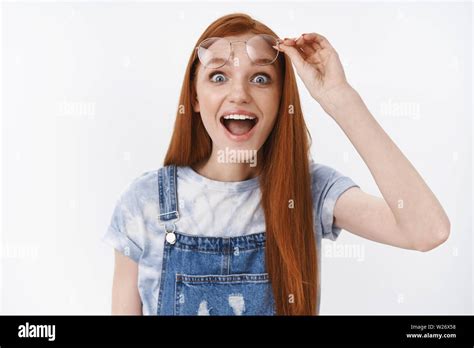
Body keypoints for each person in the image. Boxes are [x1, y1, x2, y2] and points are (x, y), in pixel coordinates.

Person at [102, 13, 450, 316]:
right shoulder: (144, 202)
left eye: (260, 78)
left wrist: (339, 97)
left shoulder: (309, 190)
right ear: (194, 97)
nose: (239, 93)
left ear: (282, 98)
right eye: (219, 77)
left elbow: (427, 230)